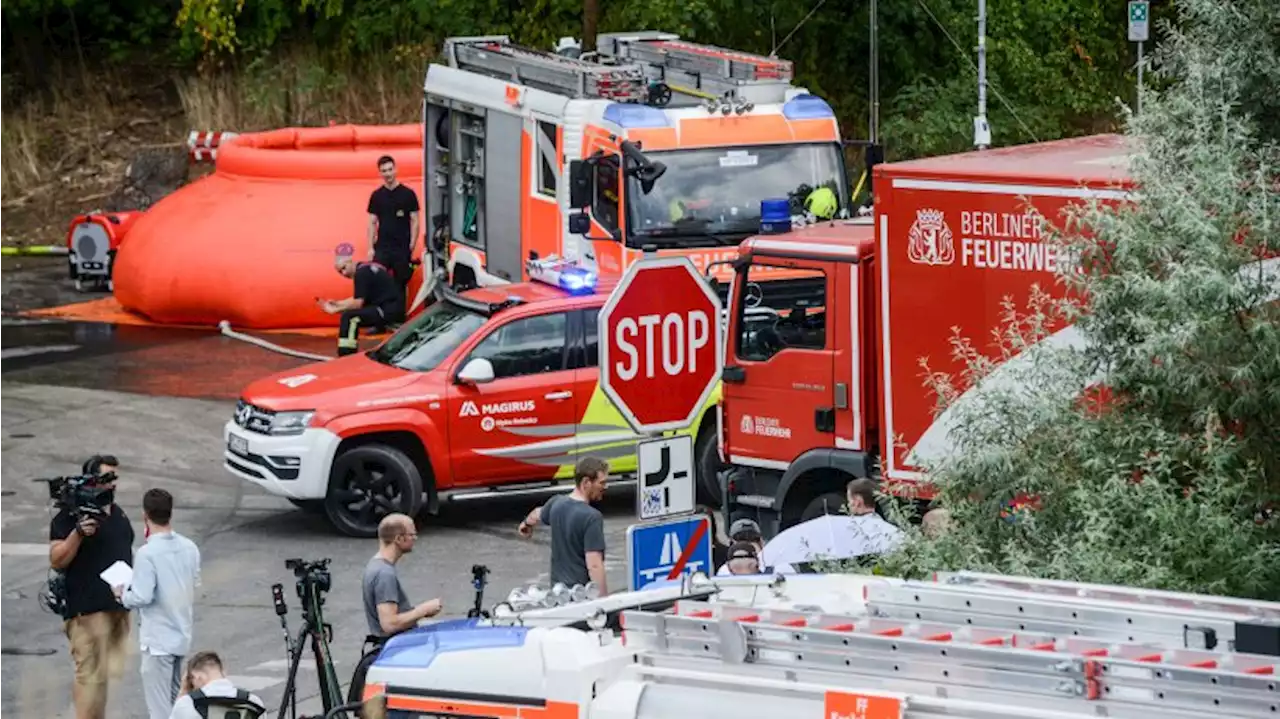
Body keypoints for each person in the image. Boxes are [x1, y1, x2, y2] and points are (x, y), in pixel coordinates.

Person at [49, 454, 134, 719]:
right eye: (106, 477)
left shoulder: (117, 513)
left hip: (117, 608)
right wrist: (78, 533)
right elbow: (57, 559)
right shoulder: (69, 517)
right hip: (86, 612)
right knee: (89, 677)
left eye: (114, 477)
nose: (112, 484)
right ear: (91, 479)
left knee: (103, 677)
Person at [113, 489, 201, 719]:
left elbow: (142, 597)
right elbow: (194, 581)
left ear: (145, 515)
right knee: (177, 703)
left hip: (158, 640)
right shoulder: (189, 547)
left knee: (160, 709)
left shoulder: (147, 553)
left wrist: (122, 595)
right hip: (181, 635)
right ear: (170, 513)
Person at [350, 513, 443, 705]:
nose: (415, 538)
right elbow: (389, 623)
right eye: (412, 534)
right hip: (395, 651)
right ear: (399, 539)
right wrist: (423, 610)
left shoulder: (376, 566)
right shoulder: (384, 574)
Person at [517, 457, 609, 594]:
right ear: (586, 482)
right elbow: (594, 565)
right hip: (580, 595)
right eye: (601, 483)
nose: (605, 487)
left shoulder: (556, 503)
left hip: (558, 593)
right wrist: (604, 599)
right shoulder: (592, 517)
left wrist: (525, 525)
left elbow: (537, 513)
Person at [319, 243, 405, 357]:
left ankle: (346, 353)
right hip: (391, 306)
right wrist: (338, 303)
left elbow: (357, 303)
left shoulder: (361, 274)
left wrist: (336, 310)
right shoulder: (366, 268)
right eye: (340, 273)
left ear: (350, 261)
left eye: (344, 268)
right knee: (352, 313)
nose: (344, 274)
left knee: (349, 317)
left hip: (387, 310)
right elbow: (359, 297)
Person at [366, 155, 420, 305]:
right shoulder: (377, 196)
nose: (388, 174)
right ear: (380, 173)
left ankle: (398, 320)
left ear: (395, 169)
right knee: (377, 281)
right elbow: (371, 222)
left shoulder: (408, 194)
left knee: (400, 284)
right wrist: (370, 248)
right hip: (382, 247)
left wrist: (412, 245)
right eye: (384, 171)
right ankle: (379, 321)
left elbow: (415, 221)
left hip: (401, 247)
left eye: (390, 169)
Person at [168, 651, 265, 719]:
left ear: (197, 677)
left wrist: (182, 693)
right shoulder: (253, 702)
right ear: (224, 672)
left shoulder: (188, 704)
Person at [716, 518, 794, 575]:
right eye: (741, 539)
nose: (748, 544)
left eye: (753, 539)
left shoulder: (780, 567)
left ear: (761, 542)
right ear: (731, 545)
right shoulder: (725, 570)